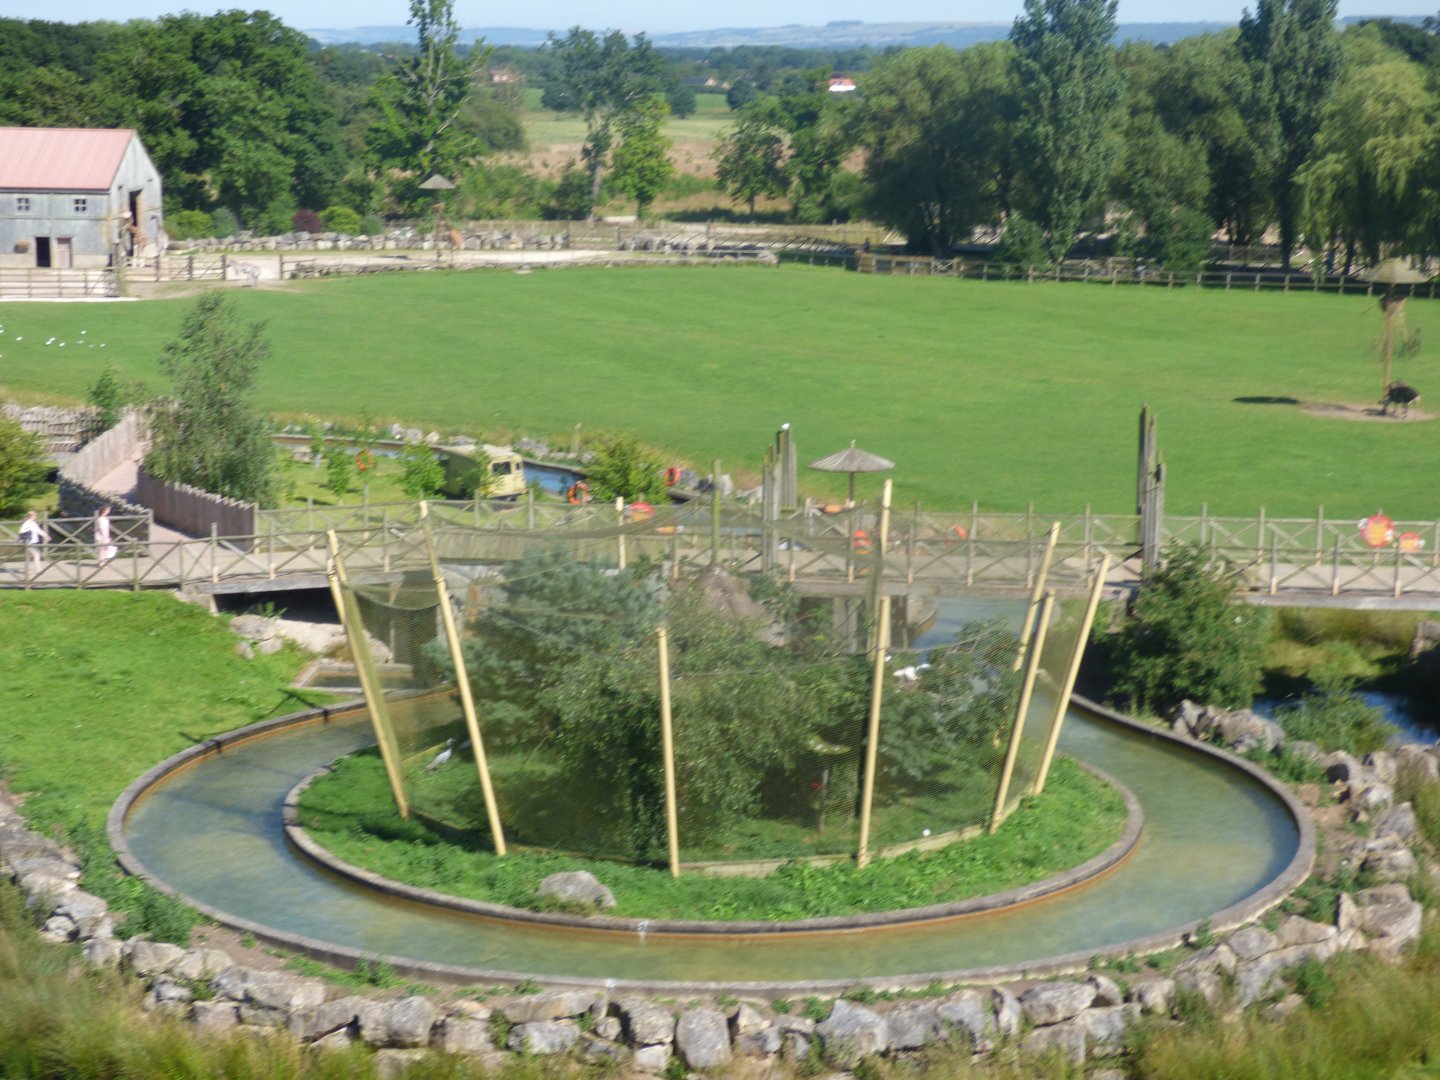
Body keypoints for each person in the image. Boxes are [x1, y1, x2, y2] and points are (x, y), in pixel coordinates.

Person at [18, 510, 47, 576]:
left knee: (29, 556)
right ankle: (39, 570)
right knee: (36, 555)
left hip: (31, 542)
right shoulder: (28, 523)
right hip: (28, 542)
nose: (36, 517)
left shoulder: (32, 523)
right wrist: (27, 531)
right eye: (35, 515)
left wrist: (46, 536)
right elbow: (21, 531)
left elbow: (38, 531)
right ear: (32, 516)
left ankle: (27, 569)